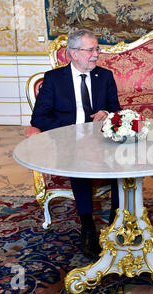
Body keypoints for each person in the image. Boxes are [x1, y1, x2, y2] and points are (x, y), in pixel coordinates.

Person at [31, 29, 122, 258]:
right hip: (69, 140)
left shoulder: (105, 76)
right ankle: (88, 226)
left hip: (101, 138)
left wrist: (105, 112)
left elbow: (116, 109)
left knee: (123, 162)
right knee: (78, 165)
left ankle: (115, 221)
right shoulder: (54, 79)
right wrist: (68, 133)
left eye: (97, 49)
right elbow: (39, 118)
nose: (95, 55)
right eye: (90, 50)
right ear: (73, 53)